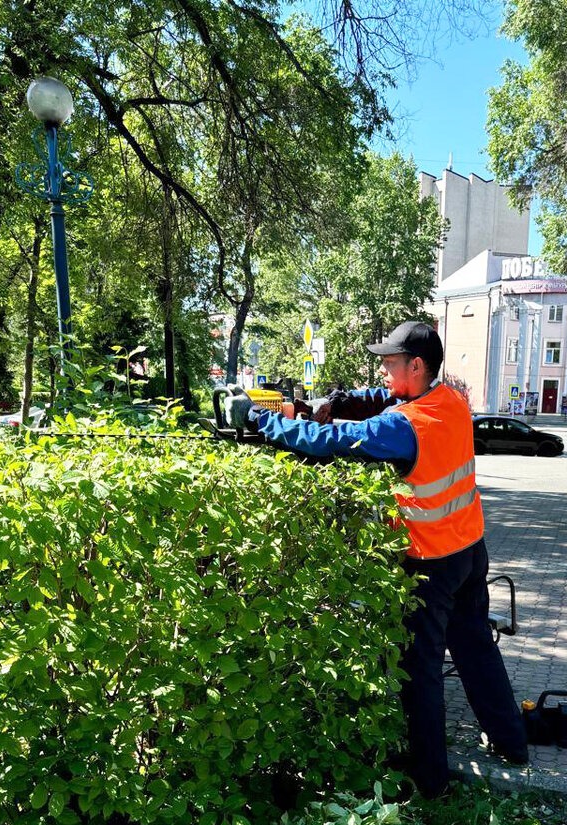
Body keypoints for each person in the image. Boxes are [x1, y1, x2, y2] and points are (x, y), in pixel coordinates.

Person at [222, 319, 528, 798]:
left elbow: (332, 443)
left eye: (390, 364)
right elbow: (382, 397)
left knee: (420, 671)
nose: (383, 372)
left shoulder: (404, 426)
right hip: (471, 550)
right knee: (476, 649)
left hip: (430, 564)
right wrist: (335, 402)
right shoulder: (451, 401)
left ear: (417, 366)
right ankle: (513, 743)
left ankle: (430, 784)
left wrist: (261, 420)